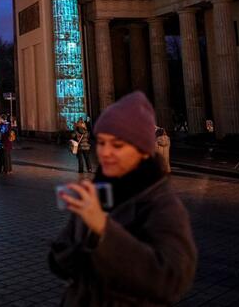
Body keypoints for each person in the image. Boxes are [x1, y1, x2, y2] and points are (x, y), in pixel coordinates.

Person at [49, 91, 197, 305]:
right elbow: (59, 263)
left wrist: (103, 229)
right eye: (101, 142)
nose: (105, 152)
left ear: (143, 151)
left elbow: (172, 280)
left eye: (117, 145)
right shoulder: (97, 192)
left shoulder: (161, 203)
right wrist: (79, 237)